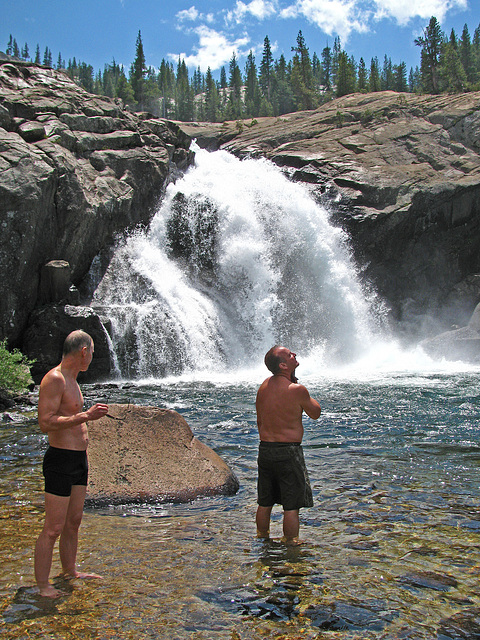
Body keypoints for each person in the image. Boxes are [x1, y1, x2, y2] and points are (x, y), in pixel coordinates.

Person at [34, 330, 109, 598]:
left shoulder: (73, 379)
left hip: (79, 459)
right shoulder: (54, 379)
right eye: (92, 352)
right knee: (53, 527)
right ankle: (42, 585)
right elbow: (45, 423)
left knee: (73, 521)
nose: (93, 357)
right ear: (83, 351)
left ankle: (69, 571)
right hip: (60, 459)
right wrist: (86, 416)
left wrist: (85, 417)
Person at [255, 345, 321, 545]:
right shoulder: (297, 390)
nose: (294, 354)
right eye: (289, 354)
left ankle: (262, 537)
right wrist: (298, 387)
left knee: (265, 501)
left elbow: (260, 420)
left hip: (265, 449)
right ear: (283, 365)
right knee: (291, 505)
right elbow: (315, 413)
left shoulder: (264, 386)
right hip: (288, 451)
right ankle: (291, 543)